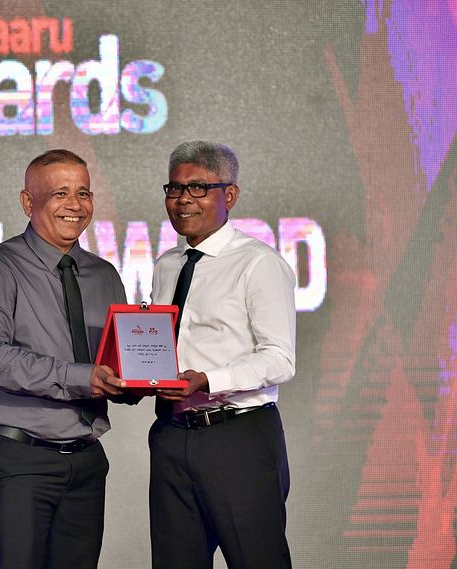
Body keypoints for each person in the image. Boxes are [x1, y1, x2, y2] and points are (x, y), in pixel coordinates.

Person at [0, 149, 130, 569]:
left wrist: (140, 381)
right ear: (27, 202)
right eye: (60, 193)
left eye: (83, 193)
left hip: (86, 462)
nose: (75, 204)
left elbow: (117, 362)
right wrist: (82, 378)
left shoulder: (105, 275)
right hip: (18, 461)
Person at [149, 140, 296, 569]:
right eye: (175, 189)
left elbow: (280, 358)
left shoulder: (258, 263)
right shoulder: (167, 264)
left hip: (237, 436)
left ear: (229, 195)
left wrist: (209, 380)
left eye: (198, 188)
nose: (183, 200)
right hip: (172, 434)